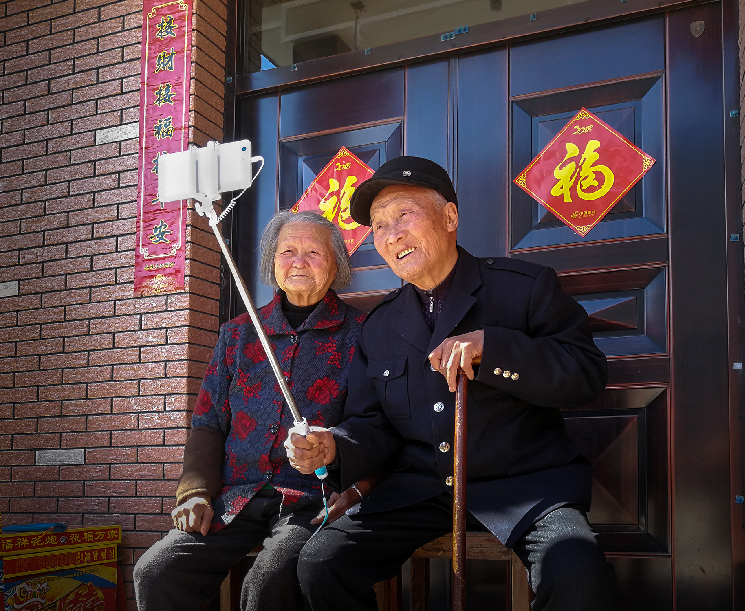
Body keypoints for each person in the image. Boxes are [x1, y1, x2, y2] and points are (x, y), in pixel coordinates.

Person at [288, 157, 616, 611]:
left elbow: (586, 375)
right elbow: (372, 423)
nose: (391, 234)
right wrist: (335, 445)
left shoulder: (522, 287)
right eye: (379, 226)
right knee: (322, 564)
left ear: (449, 217)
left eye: (404, 214)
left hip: (526, 485)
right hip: (423, 489)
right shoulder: (379, 325)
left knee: (578, 577)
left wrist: (494, 349)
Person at [134, 211, 372, 611]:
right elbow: (208, 421)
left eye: (314, 252)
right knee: (157, 571)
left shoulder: (362, 332)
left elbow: (377, 422)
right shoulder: (238, 333)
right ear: (272, 262)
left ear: (337, 264)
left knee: (268, 582)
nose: (299, 261)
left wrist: (361, 484)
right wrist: (195, 493)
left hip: (312, 499)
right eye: (287, 251)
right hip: (236, 497)